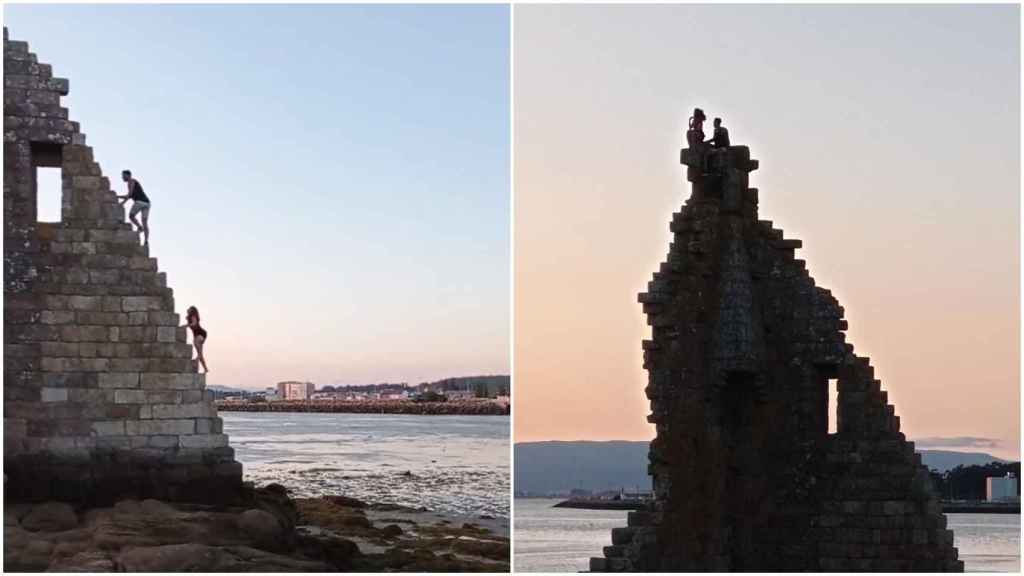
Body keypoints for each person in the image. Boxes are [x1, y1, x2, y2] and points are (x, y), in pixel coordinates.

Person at [118, 170, 150, 246]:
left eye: (123, 176)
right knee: (145, 222)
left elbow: (129, 194)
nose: (122, 177)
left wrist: (122, 203)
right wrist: (118, 197)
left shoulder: (131, 181)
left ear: (128, 175)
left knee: (131, 216)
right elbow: (129, 195)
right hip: (147, 203)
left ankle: (139, 227)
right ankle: (146, 241)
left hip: (139, 202)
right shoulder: (133, 182)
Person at [186, 306, 209, 373]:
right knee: (200, 354)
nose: (188, 309)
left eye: (189, 309)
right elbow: (190, 324)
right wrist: (185, 326)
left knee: (195, 342)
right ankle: (205, 368)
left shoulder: (193, 316)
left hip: (201, 333)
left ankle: (197, 358)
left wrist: (187, 326)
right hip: (196, 335)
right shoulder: (189, 318)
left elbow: (194, 323)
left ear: (192, 311)